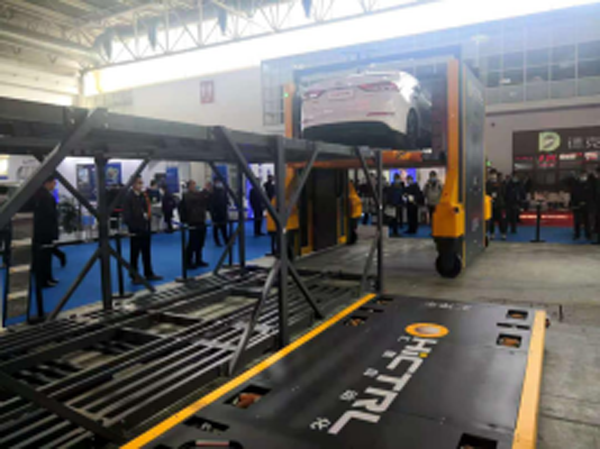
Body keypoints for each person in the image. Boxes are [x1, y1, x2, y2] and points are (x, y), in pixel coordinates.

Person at [123, 176, 163, 284]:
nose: (141, 185)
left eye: (142, 182)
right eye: (139, 183)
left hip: (145, 228)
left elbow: (147, 209)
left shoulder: (143, 196)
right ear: (133, 184)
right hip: (135, 230)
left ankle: (148, 273)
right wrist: (134, 227)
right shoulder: (128, 197)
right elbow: (127, 216)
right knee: (135, 254)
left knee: (146, 252)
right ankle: (134, 275)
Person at [33, 176, 59, 289]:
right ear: (48, 183)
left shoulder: (40, 194)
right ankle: (45, 279)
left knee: (45, 256)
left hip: (41, 230)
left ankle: (47, 277)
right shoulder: (45, 196)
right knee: (44, 257)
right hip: (44, 231)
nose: (55, 185)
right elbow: (49, 215)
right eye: (53, 182)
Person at [180, 180, 209, 268]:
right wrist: (204, 191)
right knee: (193, 242)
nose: (194, 186)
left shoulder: (198, 194)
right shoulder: (187, 195)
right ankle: (188, 262)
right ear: (189, 186)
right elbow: (196, 199)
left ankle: (198, 260)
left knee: (200, 242)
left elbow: (205, 200)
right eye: (193, 185)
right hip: (193, 221)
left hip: (201, 219)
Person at [570, 171, 593, 240]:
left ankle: (588, 234)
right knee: (577, 221)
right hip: (577, 205)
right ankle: (577, 234)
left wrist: (587, 202)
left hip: (586, 205)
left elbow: (591, 195)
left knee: (587, 221)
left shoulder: (589, 184)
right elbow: (573, 194)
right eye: (581, 175)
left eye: (584, 175)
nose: (583, 177)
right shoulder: (575, 184)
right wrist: (574, 203)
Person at [486, 169, 507, 240]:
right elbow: (486, 193)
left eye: (494, 174)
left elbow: (504, 193)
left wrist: (500, 200)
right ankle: (492, 233)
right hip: (490, 204)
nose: (492, 176)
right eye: (491, 174)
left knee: (501, 220)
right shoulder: (487, 184)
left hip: (499, 204)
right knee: (491, 220)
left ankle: (503, 233)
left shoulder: (501, 183)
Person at [210, 179, 229, 246]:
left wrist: (227, 203)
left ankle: (226, 240)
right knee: (216, 228)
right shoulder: (212, 192)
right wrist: (213, 213)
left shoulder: (223, 191)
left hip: (223, 212)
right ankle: (217, 241)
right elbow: (211, 204)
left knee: (224, 227)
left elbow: (226, 199)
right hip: (216, 212)